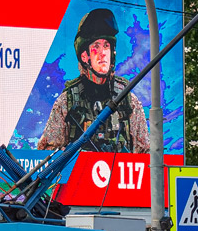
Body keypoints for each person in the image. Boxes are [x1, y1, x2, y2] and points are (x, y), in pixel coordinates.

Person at [37, 8, 150, 154]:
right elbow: (46, 154)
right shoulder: (67, 102)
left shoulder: (128, 101)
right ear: (85, 56)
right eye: (96, 46)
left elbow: (146, 155)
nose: (103, 53)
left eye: (106, 45)